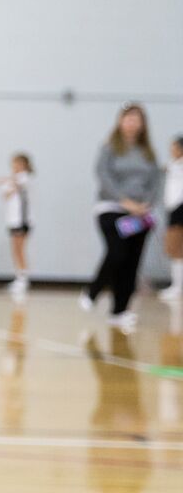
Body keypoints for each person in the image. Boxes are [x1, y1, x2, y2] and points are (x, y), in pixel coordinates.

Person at [82, 103, 162, 332]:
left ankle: (120, 311)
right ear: (120, 120)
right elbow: (103, 175)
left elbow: (156, 180)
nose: (132, 122)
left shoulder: (148, 151)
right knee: (117, 253)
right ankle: (94, 290)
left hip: (141, 214)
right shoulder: (109, 148)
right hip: (112, 208)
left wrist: (145, 204)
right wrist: (124, 201)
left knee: (131, 261)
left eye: (137, 119)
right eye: (128, 118)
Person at [0, 152, 34, 300]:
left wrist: (1, 180)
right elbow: (6, 195)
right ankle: (18, 277)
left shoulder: (25, 178)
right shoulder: (13, 180)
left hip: (22, 220)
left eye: (17, 163)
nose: (15, 167)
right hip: (12, 220)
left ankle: (24, 279)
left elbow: (17, 184)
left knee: (20, 249)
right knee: (15, 249)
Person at [161, 135, 183, 302]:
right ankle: (177, 286)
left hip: (179, 211)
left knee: (176, 250)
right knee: (175, 250)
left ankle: (177, 287)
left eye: (174, 147)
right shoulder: (173, 165)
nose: (171, 150)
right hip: (173, 211)